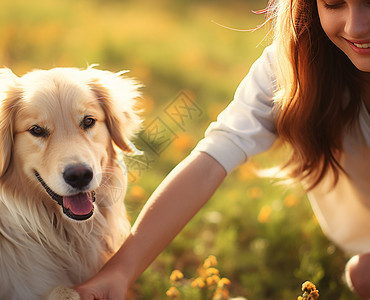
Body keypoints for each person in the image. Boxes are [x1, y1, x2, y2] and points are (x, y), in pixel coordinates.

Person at [75, 0, 370, 298]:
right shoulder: (294, 64)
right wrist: (120, 271)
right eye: (333, 3)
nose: (356, 27)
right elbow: (213, 157)